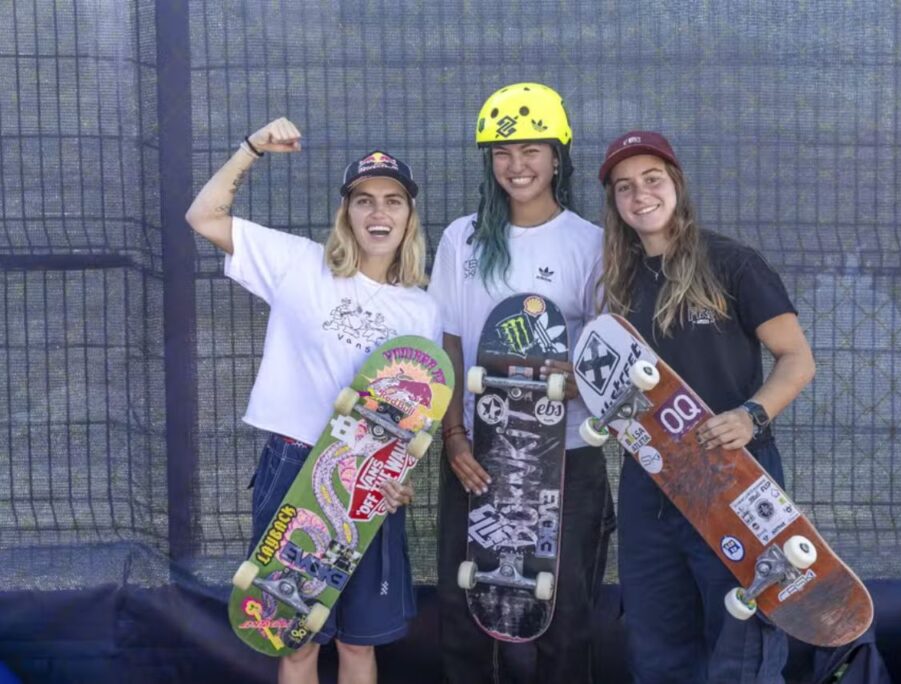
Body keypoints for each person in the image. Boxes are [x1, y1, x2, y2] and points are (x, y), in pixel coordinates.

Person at [185, 117, 441, 684]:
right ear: (346, 213)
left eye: (393, 201)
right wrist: (251, 149)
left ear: (408, 216)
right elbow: (203, 216)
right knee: (294, 639)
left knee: (357, 645)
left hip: (369, 480)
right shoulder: (298, 263)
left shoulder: (423, 311)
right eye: (365, 201)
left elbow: (414, 413)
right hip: (295, 464)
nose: (379, 213)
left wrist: (400, 474)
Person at [597, 130, 816, 683]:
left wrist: (752, 415)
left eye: (652, 179)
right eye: (624, 187)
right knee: (656, 641)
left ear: (676, 184)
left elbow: (796, 359)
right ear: (615, 203)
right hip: (651, 485)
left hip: (733, 478)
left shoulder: (732, 264)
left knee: (743, 640)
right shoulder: (618, 284)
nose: (640, 195)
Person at [428, 83, 614, 683]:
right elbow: (449, 341)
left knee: (565, 613)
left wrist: (578, 379)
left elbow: (609, 352)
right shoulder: (464, 239)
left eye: (532, 149)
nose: (518, 165)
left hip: (568, 459)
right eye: (503, 152)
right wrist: (454, 435)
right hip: (479, 454)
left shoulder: (591, 243)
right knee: (469, 608)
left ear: (558, 156)